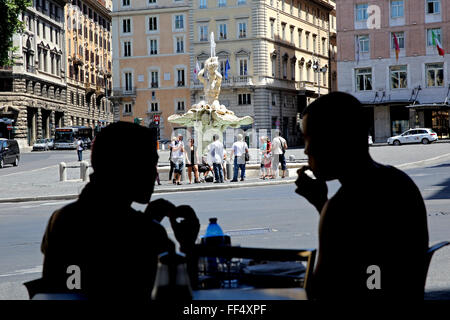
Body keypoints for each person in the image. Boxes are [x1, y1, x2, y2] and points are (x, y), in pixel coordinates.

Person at [38, 122, 200, 300]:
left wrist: (147, 220)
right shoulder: (149, 234)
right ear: (126, 167)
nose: (153, 175)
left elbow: (61, 288)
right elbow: (179, 295)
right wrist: (187, 245)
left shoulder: (62, 219)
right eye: (149, 164)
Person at [295, 92, 429, 300]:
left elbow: (320, 291)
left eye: (309, 139)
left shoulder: (343, 205)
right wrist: (322, 203)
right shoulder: (399, 182)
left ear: (334, 140)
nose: (306, 150)